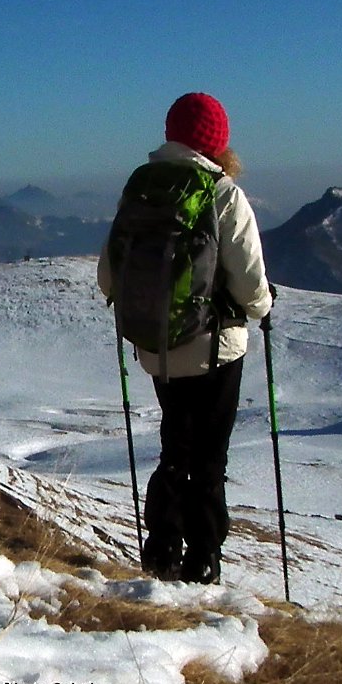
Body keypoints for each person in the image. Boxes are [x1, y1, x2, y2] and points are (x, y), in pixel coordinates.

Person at [98, 92, 273, 584]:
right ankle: (203, 560)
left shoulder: (142, 189)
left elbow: (108, 276)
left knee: (175, 445)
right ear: (219, 142)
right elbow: (249, 282)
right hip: (216, 348)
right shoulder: (221, 193)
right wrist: (263, 308)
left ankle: (160, 549)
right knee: (209, 456)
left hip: (158, 348)